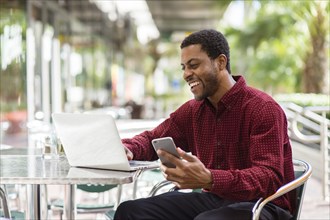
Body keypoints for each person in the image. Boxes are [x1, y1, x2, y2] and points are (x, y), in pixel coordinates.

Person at [114, 29, 295, 220]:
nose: (186, 74)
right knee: (130, 211)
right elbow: (153, 138)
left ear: (220, 62)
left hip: (264, 205)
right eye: (183, 67)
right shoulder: (193, 111)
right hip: (215, 200)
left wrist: (210, 178)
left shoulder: (263, 108)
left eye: (193, 65)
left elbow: (268, 178)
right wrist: (128, 149)